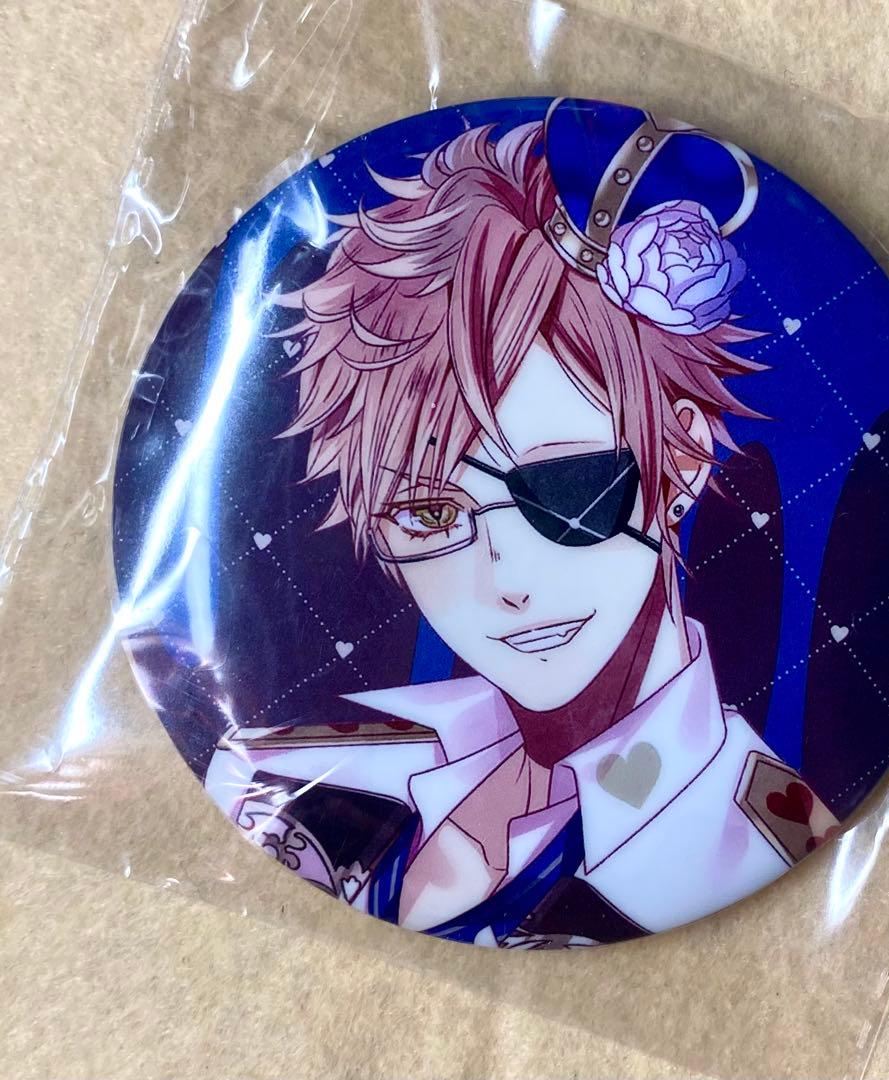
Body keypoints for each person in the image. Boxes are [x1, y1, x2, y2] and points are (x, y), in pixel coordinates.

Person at [206, 102, 838, 947]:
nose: (505, 581)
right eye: (429, 513)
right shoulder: (299, 772)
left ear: (683, 461)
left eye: (566, 489)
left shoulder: (748, 842)